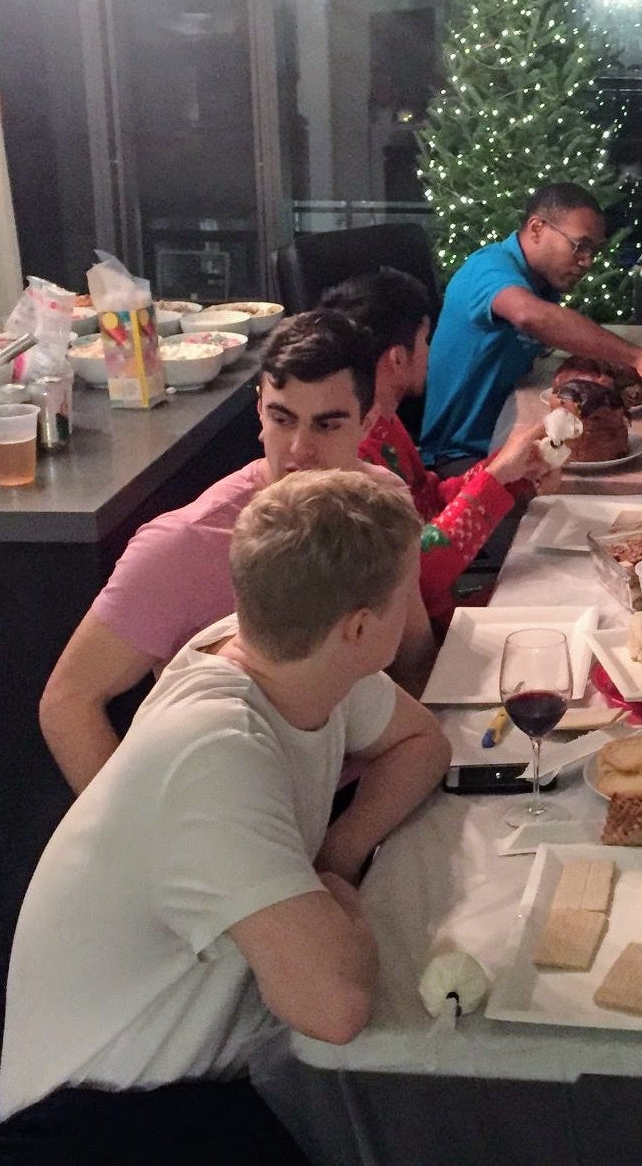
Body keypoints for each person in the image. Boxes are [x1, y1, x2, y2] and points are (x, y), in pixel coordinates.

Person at [0, 470, 450, 1162]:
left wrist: (337, 854)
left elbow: (423, 744)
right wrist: (332, 906)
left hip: (194, 1089)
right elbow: (335, 1007)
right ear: (360, 628)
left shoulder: (295, 664)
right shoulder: (214, 749)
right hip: (91, 1121)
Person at [39, 311, 435, 795]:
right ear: (259, 412)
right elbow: (67, 701)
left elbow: (414, 652)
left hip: (355, 792)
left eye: (327, 425)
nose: (298, 450)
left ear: (369, 422)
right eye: (282, 418)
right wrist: (141, 832)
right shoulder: (183, 544)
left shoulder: (384, 504)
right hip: (235, 814)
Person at [318, 269, 558, 626]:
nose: (432, 352)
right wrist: (494, 476)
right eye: (427, 340)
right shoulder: (352, 453)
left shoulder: (384, 420)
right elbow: (416, 579)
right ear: (398, 358)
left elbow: (429, 501)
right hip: (417, 632)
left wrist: (512, 471)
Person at [420, 181, 642, 466]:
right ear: (536, 228)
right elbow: (531, 316)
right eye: (579, 246)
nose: (587, 261)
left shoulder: (540, 279)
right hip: (459, 457)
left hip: (504, 438)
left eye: (593, 250)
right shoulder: (489, 268)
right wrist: (640, 358)